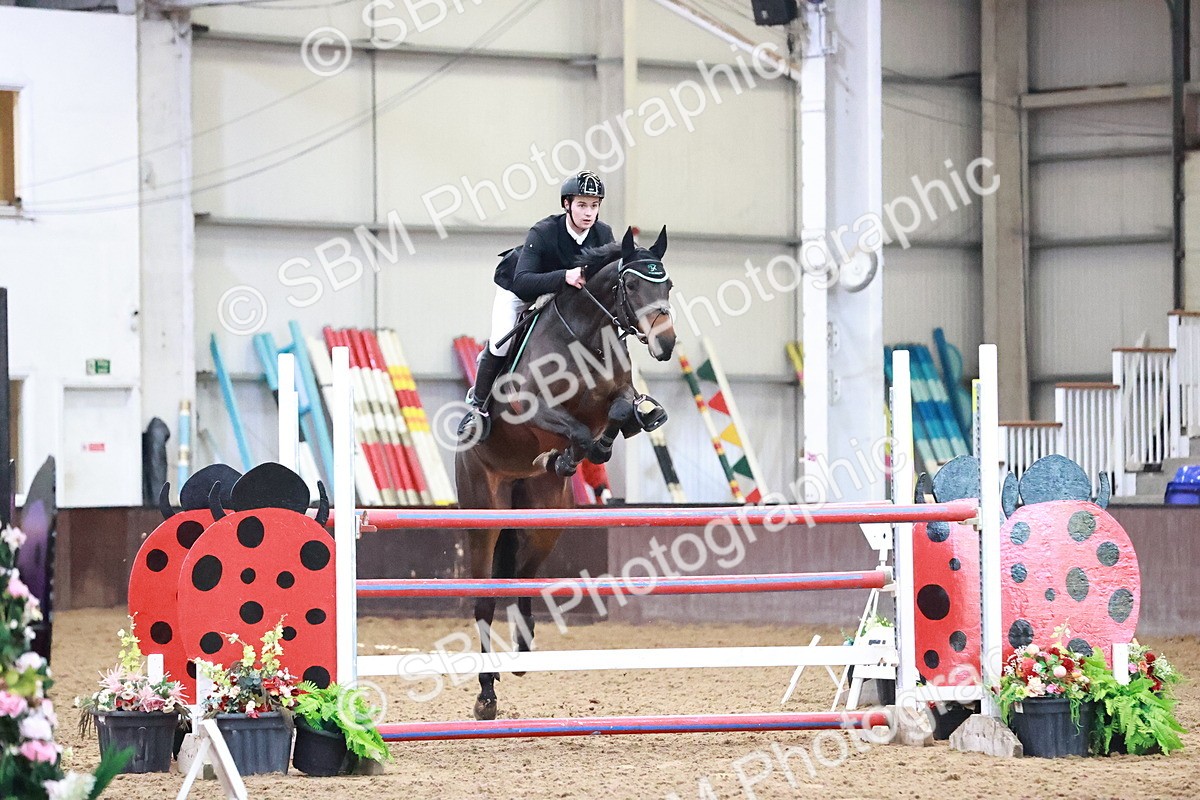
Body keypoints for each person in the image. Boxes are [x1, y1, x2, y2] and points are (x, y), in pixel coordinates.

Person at [458, 171, 616, 442]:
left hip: (565, 295)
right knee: (501, 342)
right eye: (581, 205)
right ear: (566, 204)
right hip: (520, 289)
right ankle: (479, 407)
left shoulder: (603, 233)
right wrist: (563, 276)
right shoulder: (543, 232)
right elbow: (522, 282)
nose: (588, 213)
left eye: (594, 205)